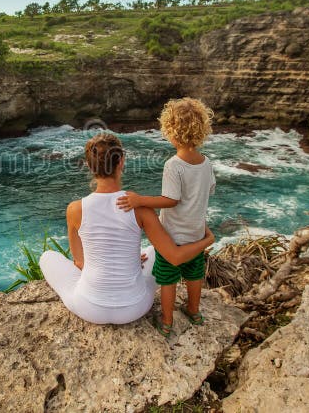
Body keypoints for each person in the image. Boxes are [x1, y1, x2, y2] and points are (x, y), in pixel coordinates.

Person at [39, 133, 215, 325]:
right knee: (155, 253)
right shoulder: (140, 208)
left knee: (47, 257)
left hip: (89, 307)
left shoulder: (75, 209)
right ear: (121, 162)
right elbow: (174, 257)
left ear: (89, 165)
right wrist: (207, 240)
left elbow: (80, 262)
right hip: (135, 307)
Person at [117, 98, 216, 338]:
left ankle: (167, 320)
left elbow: (171, 199)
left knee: (168, 278)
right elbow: (209, 190)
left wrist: (140, 200)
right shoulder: (206, 163)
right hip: (196, 232)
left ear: (171, 131)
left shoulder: (174, 165)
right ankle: (193, 311)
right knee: (194, 274)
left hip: (172, 236)